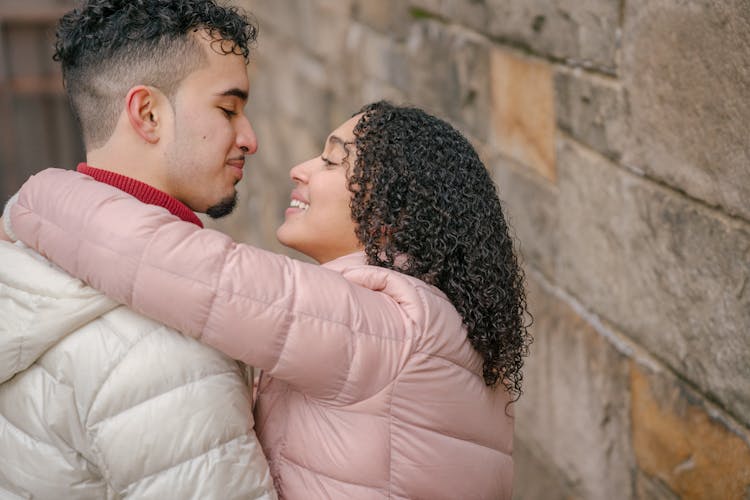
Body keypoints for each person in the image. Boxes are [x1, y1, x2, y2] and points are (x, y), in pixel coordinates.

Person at [3, 101, 532, 499]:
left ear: (392, 211)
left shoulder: (381, 325)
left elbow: (190, 269)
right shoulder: (431, 323)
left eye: (332, 161)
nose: (300, 168)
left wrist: (40, 195)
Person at [0, 1, 276, 498]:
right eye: (228, 108)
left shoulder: (23, 255)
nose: (249, 138)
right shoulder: (166, 343)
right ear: (147, 113)